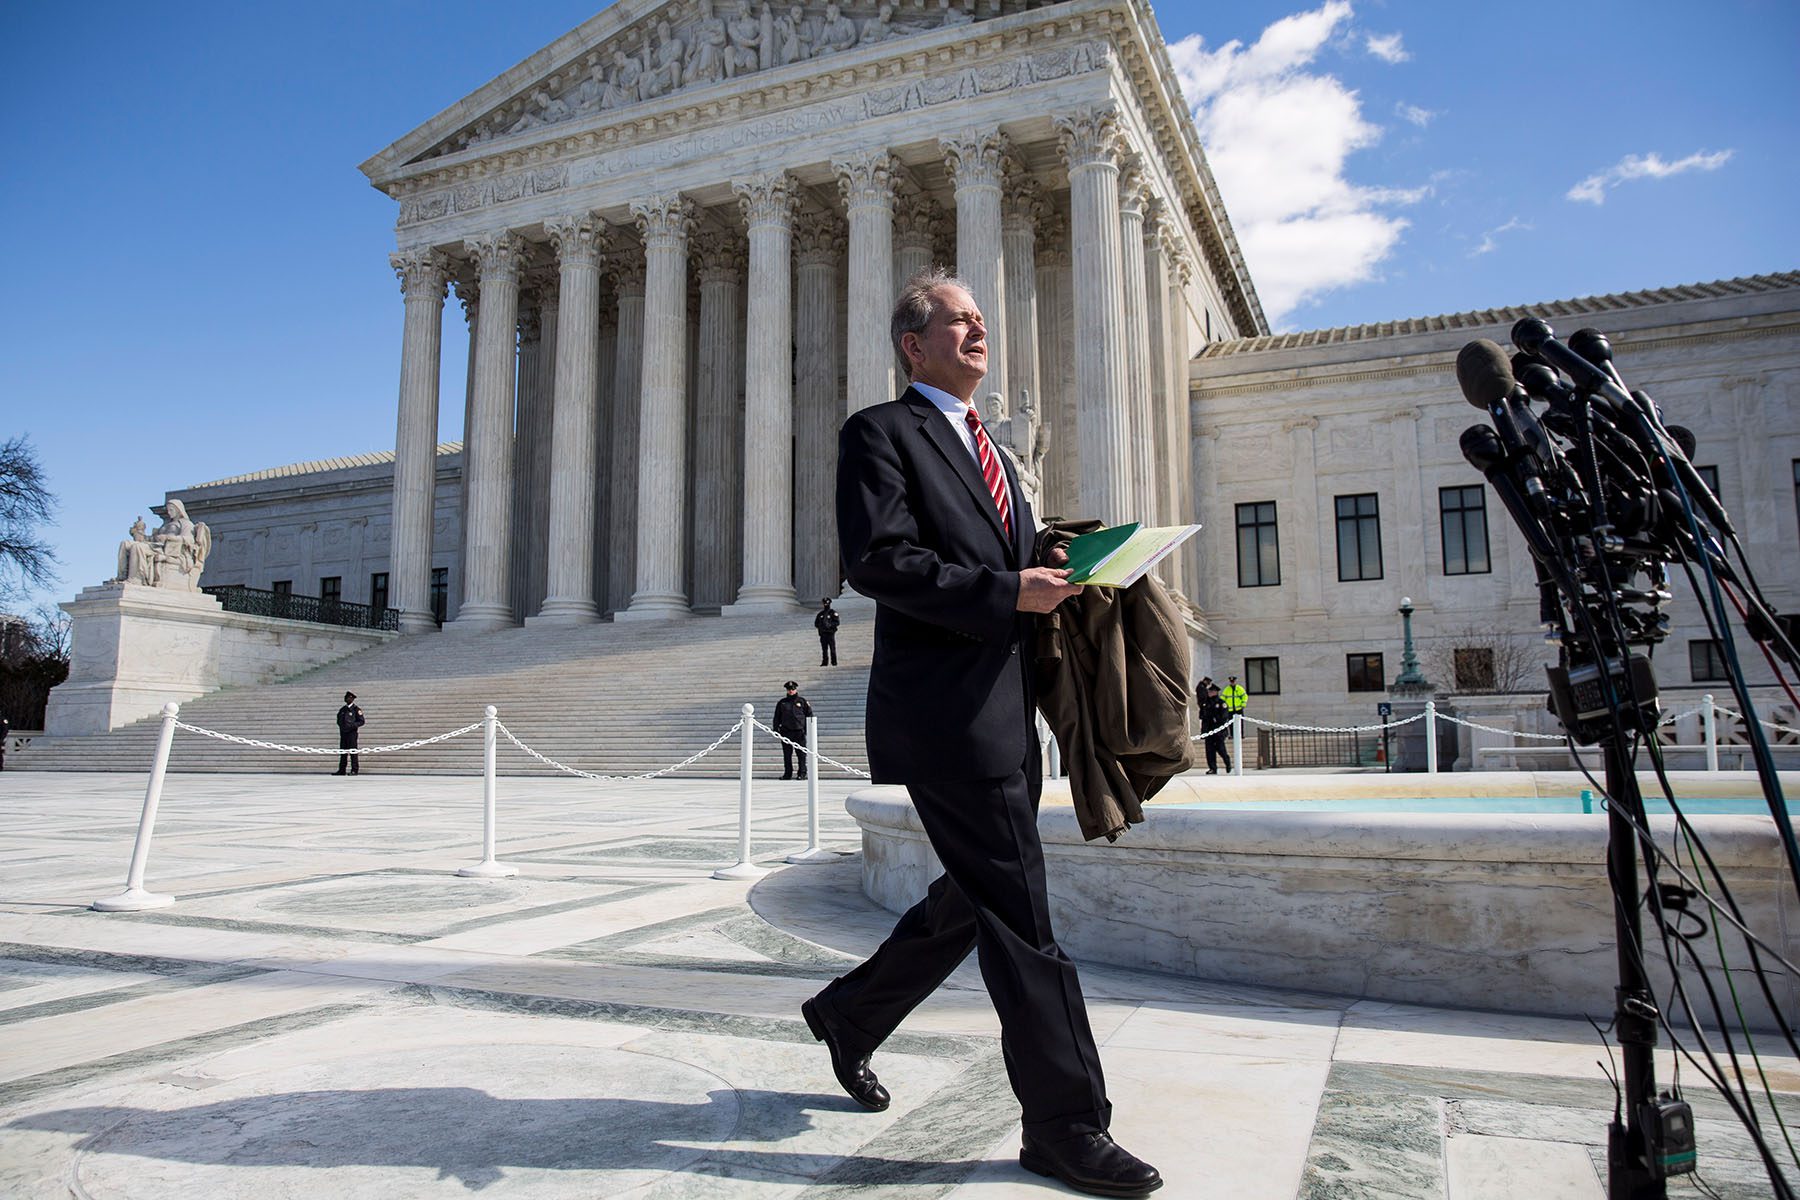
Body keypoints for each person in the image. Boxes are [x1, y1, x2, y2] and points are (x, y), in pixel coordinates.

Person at [803, 270, 1161, 1197]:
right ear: (912, 345)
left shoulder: (992, 450)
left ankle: (851, 1013)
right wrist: (1007, 590)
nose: (978, 329)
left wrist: (1054, 563)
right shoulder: (882, 433)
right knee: (1022, 923)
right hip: (948, 717)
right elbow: (880, 560)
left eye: (980, 318)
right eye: (958, 319)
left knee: (975, 897)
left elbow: (999, 558)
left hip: (1007, 707)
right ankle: (1065, 1124)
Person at [773, 681, 812, 780]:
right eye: (789, 689)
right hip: (786, 732)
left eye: (793, 689)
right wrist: (776, 729)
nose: (791, 691)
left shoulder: (802, 701)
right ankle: (787, 774)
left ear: (796, 689)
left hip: (799, 732)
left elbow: (809, 715)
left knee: (801, 754)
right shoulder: (782, 702)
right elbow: (777, 717)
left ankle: (802, 773)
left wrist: (807, 730)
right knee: (787, 755)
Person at [1199, 683, 1231, 775]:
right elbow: (1202, 717)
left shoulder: (1221, 703)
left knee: (1221, 749)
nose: (1209, 693)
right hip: (1208, 731)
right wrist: (1203, 731)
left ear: (1216, 692)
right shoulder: (1205, 703)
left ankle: (1227, 761)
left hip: (1218, 731)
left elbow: (1224, 717)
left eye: (1211, 691)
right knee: (1209, 751)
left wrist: (1216, 720)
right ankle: (1212, 768)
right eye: (1209, 691)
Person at [334, 692, 365, 776]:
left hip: (352, 733)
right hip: (343, 733)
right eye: (346, 697)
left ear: (352, 699)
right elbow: (339, 720)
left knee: (353, 752)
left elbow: (361, 721)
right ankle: (341, 770)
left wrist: (352, 726)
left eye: (348, 698)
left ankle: (354, 770)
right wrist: (342, 727)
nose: (346, 699)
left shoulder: (356, 709)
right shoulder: (343, 709)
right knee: (343, 752)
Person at [814, 597, 840, 666]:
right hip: (823, 634)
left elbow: (837, 622)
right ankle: (825, 662)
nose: (825, 604)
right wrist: (821, 627)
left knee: (832, 649)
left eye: (827, 603)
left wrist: (830, 625)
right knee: (824, 649)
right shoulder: (820, 614)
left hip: (830, 633)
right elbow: (816, 623)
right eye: (824, 603)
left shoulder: (833, 613)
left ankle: (834, 662)